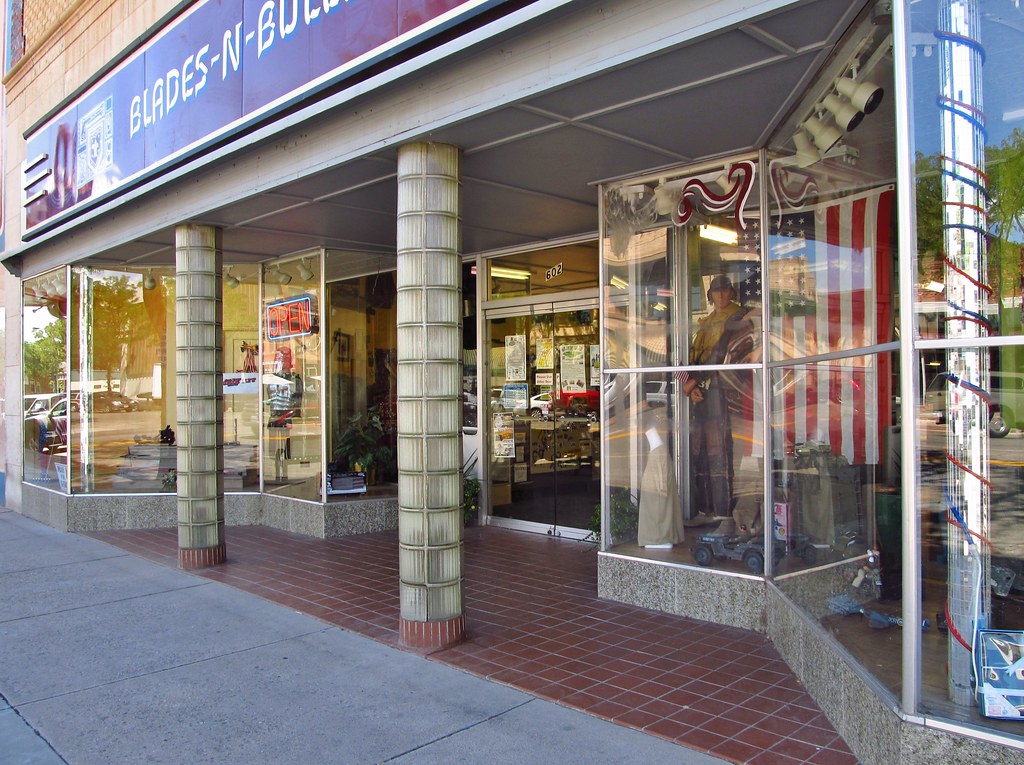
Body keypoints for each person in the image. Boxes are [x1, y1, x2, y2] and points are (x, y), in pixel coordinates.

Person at [680, 274, 754, 521]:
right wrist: (692, 386)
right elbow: (693, 355)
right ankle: (705, 507)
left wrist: (694, 381)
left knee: (719, 449)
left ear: (732, 292)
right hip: (702, 392)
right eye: (716, 291)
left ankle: (723, 511)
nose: (720, 295)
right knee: (699, 449)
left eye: (725, 290)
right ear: (710, 295)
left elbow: (724, 355)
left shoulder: (738, 318)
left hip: (723, 392)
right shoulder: (706, 322)